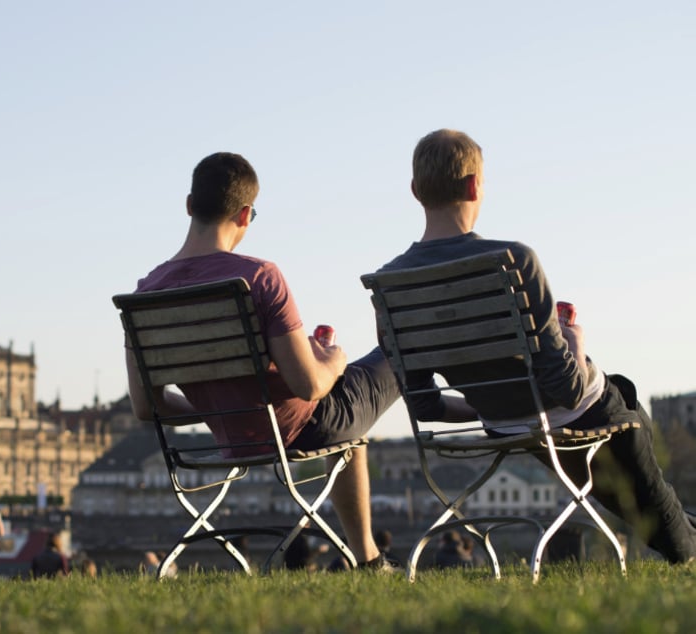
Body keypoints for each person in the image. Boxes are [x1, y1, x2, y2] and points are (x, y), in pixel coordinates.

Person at [380, 129, 696, 564]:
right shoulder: (512, 259)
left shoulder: (391, 285)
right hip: (570, 413)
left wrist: (484, 404)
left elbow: (425, 404)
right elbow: (565, 386)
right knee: (625, 411)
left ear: (416, 192)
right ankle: (685, 544)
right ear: (474, 186)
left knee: (627, 416)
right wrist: (575, 344)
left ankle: (679, 526)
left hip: (507, 425)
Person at [125, 152, 400, 568]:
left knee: (351, 435)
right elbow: (309, 386)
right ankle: (368, 560)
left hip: (228, 438)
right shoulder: (258, 277)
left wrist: (214, 408)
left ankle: (370, 559)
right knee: (397, 349)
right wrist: (333, 360)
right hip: (300, 428)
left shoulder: (143, 294)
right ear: (246, 214)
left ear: (188, 205)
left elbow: (147, 407)